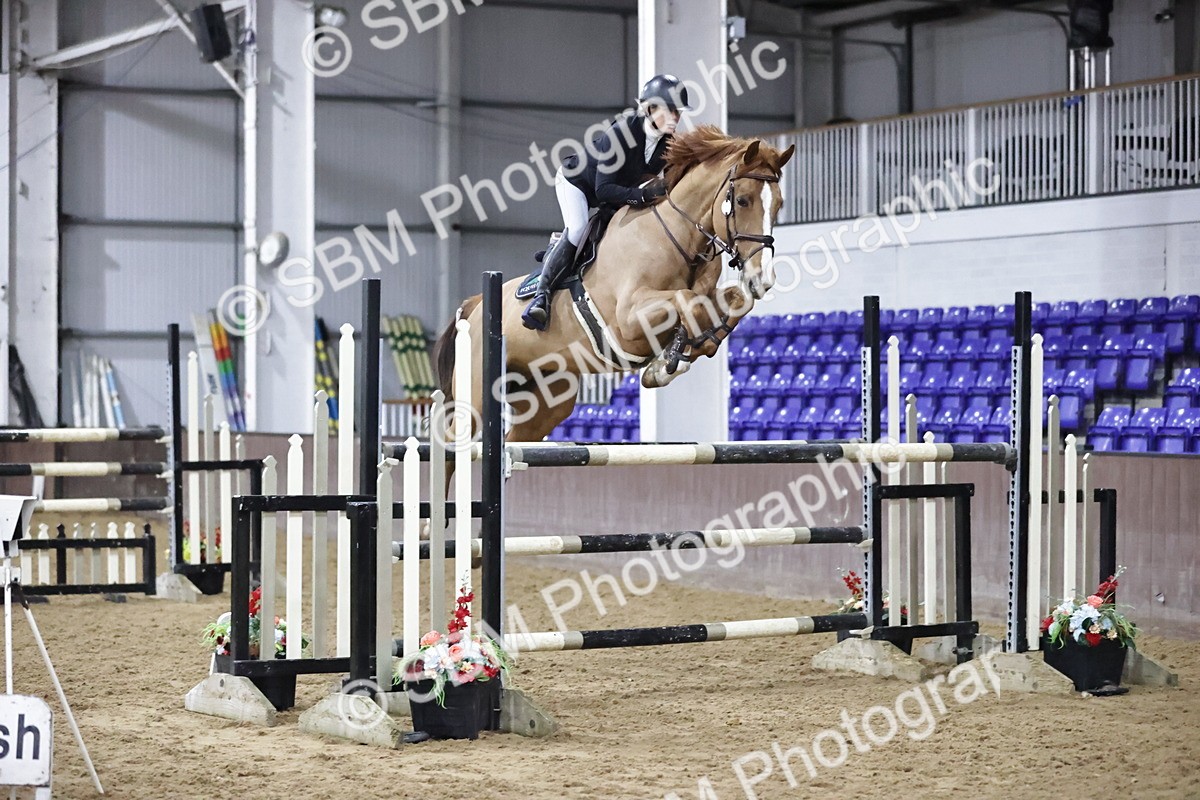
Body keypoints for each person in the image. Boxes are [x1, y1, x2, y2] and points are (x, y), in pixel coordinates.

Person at [521, 74, 691, 331]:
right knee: (577, 229)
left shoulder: (668, 144)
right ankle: (541, 298)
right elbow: (604, 190)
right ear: (650, 108)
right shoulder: (622, 133)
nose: (676, 118)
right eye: (670, 111)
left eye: (678, 112)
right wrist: (643, 196)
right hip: (577, 183)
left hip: (615, 192)